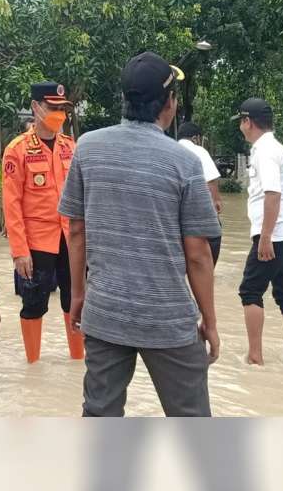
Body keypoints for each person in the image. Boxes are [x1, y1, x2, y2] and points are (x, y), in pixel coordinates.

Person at [59, 51, 221, 417]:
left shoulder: (88, 147)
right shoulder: (184, 161)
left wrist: (78, 295)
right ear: (170, 104)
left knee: (100, 415)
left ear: (124, 100)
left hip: (105, 311)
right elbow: (198, 254)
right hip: (168, 319)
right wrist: (209, 321)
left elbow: (76, 232)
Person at [2, 81, 84, 363]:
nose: (59, 114)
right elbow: (11, 204)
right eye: (53, 108)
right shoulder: (18, 150)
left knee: (75, 298)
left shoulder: (71, 147)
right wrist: (19, 251)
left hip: (70, 237)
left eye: (63, 109)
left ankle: (77, 359)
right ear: (36, 108)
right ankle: (33, 364)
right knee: (34, 302)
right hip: (37, 241)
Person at [232, 97, 283, 365]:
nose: (241, 127)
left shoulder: (264, 150)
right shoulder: (277, 148)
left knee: (250, 291)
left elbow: (272, 194)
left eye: (241, 121)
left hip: (275, 238)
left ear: (248, 122)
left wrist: (265, 237)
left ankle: (255, 357)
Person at [177, 121, 223, 263]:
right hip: (199, 216)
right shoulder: (200, 151)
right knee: (213, 238)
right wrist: (216, 202)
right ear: (196, 138)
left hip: (175, 216)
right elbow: (211, 180)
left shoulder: (170, 150)